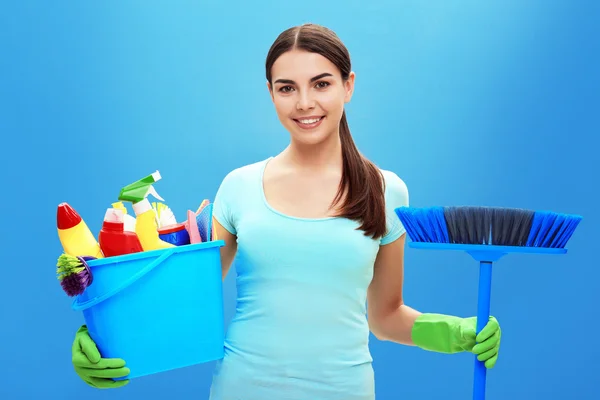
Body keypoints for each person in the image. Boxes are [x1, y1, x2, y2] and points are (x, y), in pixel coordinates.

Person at [70, 23, 501, 399]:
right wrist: (104, 334)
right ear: (271, 93)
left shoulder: (385, 190)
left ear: (348, 85)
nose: (304, 103)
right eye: (287, 88)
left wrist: (455, 334)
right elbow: (182, 298)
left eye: (322, 84)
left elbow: (386, 318)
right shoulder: (239, 187)